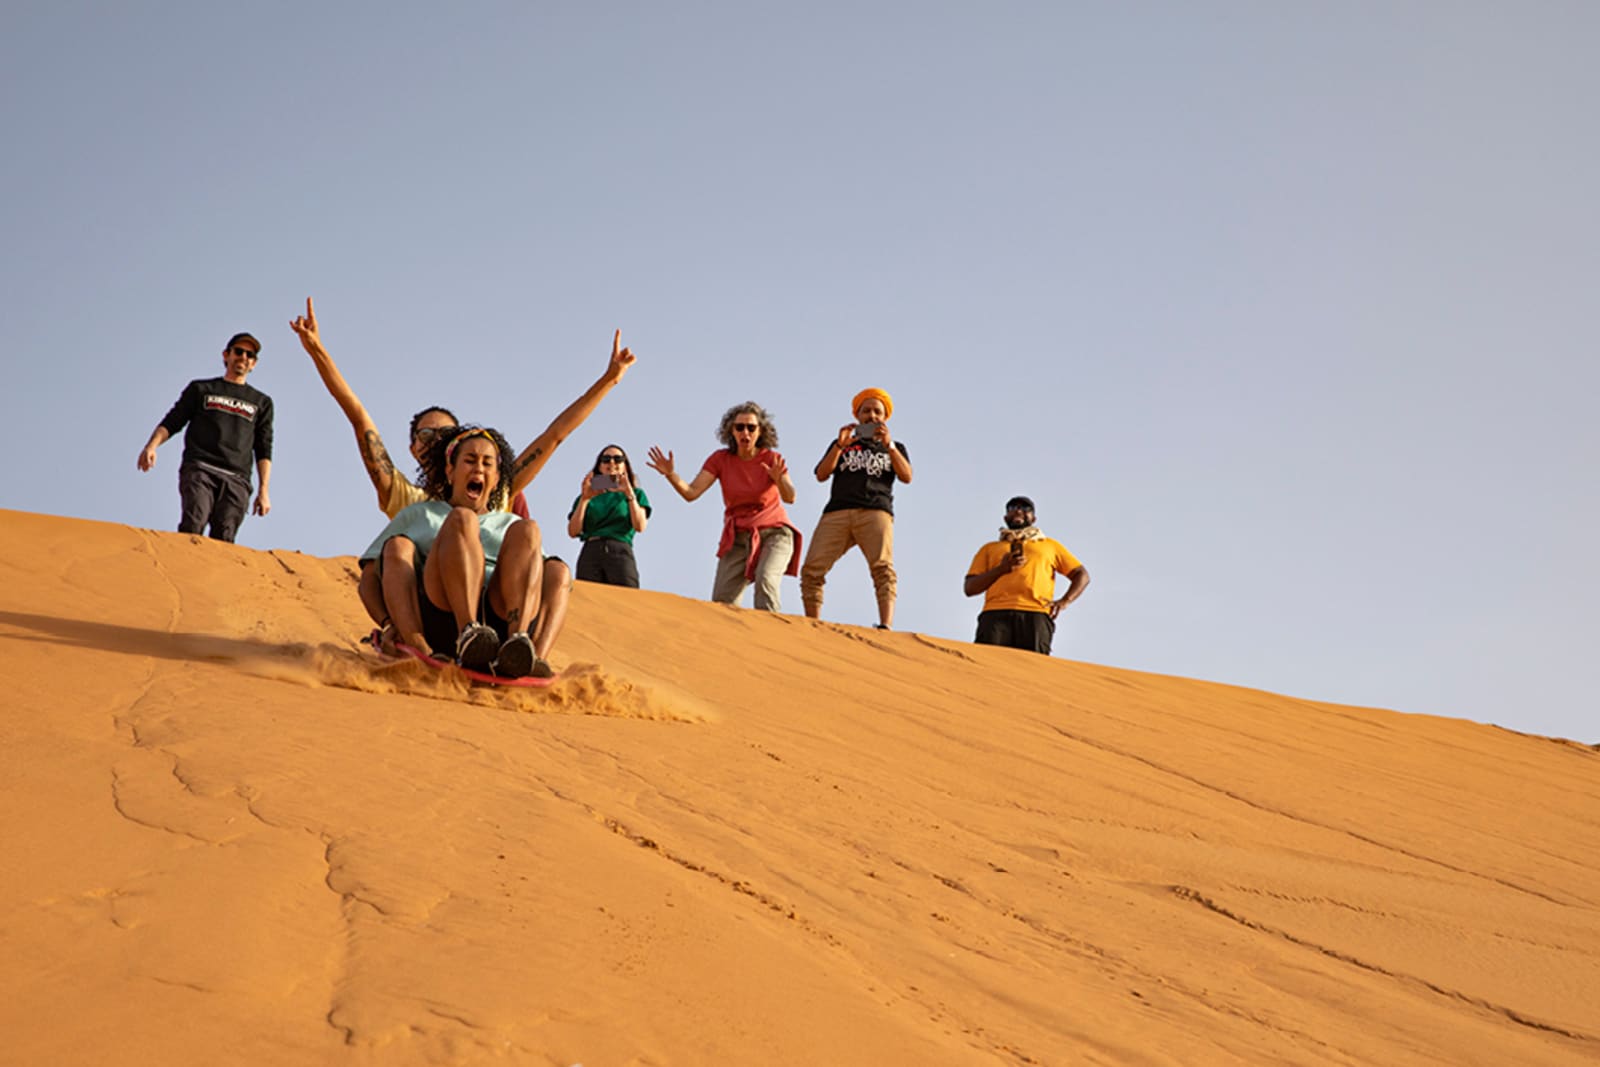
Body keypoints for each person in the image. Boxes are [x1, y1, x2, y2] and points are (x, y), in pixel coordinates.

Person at [292, 297, 636, 663]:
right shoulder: (409, 502)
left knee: (542, 548)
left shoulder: (500, 496)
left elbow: (554, 436)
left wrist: (609, 380)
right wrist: (317, 351)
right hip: (435, 603)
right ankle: (452, 635)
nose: (438, 443)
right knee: (435, 530)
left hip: (501, 605)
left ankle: (526, 652)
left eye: (484, 461)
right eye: (428, 437)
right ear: (442, 462)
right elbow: (360, 419)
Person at [359, 425, 553, 677]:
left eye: (487, 464)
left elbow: (548, 579)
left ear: (495, 480)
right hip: (439, 612)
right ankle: (464, 635)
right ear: (450, 471)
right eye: (470, 461)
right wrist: (387, 623)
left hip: (499, 613)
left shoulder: (509, 524)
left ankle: (522, 649)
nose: (478, 469)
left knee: (537, 541)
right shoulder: (420, 514)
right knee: (453, 523)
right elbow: (370, 579)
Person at [647, 402, 802, 612]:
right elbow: (691, 493)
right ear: (731, 430)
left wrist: (779, 479)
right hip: (737, 537)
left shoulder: (771, 459)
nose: (745, 432)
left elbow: (790, 497)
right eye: (739, 427)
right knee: (722, 601)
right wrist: (671, 474)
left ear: (760, 431)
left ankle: (770, 637)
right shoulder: (721, 459)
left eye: (751, 428)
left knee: (766, 580)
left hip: (775, 534)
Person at [137, 332, 273, 543]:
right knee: (193, 526)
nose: (243, 357)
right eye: (239, 351)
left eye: (250, 355)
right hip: (200, 469)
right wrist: (151, 446)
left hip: (237, 479)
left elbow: (263, 447)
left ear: (254, 363)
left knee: (224, 539)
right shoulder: (201, 389)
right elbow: (174, 420)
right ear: (226, 355)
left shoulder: (262, 402)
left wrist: (264, 490)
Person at [799, 387, 912, 629]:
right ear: (857, 415)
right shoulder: (842, 444)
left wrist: (889, 445)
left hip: (876, 511)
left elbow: (906, 476)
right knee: (811, 569)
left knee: (882, 568)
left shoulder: (895, 447)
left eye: (877, 412)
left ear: (885, 417)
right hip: (837, 512)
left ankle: (886, 625)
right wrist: (839, 446)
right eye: (866, 411)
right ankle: (812, 624)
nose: (872, 416)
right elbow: (821, 474)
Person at [963, 496, 1090, 655]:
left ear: (1034, 518)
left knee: (1033, 671)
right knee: (988, 667)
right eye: (1012, 507)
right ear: (1005, 517)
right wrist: (1002, 569)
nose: (1018, 510)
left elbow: (1081, 574)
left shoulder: (1049, 545)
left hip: (1036, 613)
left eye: (1025, 508)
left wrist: (1064, 601)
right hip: (995, 613)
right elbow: (970, 588)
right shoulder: (989, 548)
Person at [567, 445, 651, 587]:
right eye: (606, 459)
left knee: (626, 600)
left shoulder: (637, 494)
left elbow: (640, 526)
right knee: (589, 602)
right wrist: (585, 499)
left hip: (619, 550)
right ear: (599, 466)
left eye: (618, 459)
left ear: (625, 466)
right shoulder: (587, 495)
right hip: (591, 551)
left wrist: (629, 493)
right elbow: (573, 531)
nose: (612, 463)